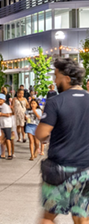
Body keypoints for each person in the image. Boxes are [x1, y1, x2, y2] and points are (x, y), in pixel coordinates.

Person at [35, 58, 89, 224]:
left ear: (67, 78)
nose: (54, 79)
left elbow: (41, 134)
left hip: (60, 170)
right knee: (81, 216)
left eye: (56, 75)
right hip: (85, 170)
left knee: (48, 217)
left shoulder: (56, 102)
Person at [0, 94, 14, 160]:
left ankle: (9, 154)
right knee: (2, 139)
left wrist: (1, 114)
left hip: (7, 124)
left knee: (8, 139)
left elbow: (9, 114)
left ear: (4, 100)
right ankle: (3, 154)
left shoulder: (5, 106)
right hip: (1, 124)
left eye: (1, 99)